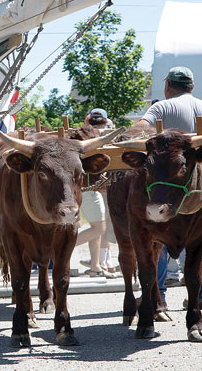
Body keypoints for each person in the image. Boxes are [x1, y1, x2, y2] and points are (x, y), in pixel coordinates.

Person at [131, 66, 202, 310]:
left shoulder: (162, 107)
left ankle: (159, 298)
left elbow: (143, 128)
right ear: (192, 86)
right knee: (201, 237)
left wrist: (127, 136)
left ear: (168, 86)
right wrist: (199, 159)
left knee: (160, 236)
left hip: (171, 185)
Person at [77, 108, 118, 278]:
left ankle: (96, 265)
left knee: (97, 225)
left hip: (86, 187)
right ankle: (59, 248)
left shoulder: (79, 135)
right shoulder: (111, 136)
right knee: (100, 228)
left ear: (88, 121)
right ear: (106, 121)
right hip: (93, 188)